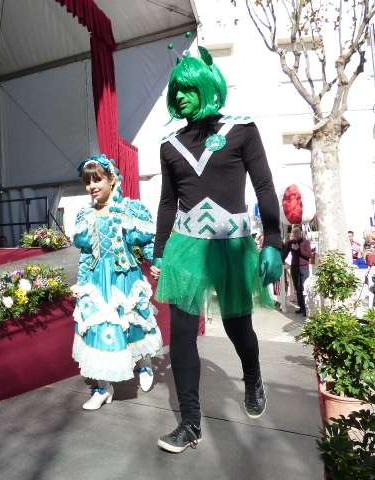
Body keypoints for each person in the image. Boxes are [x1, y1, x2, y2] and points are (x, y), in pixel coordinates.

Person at [150, 47, 283, 453]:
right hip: (185, 248)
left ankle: (253, 377)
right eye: (177, 90)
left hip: (232, 246)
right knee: (182, 334)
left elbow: (264, 186)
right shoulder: (170, 144)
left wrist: (273, 241)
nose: (181, 96)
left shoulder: (242, 129)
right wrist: (159, 250)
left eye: (189, 88)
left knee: (237, 325)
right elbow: (167, 202)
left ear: (208, 87)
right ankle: (190, 423)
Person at [71, 154, 162, 410]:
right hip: (97, 282)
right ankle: (103, 387)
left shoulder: (130, 210)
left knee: (134, 323)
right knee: (98, 330)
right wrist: (81, 283)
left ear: (112, 179)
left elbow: (147, 242)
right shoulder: (86, 215)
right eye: (88, 182)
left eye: (97, 180)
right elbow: (86, 254)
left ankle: (144, 363)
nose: (92, 186)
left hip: (125, 278)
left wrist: (156, 262)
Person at [283, 226, 311, 315]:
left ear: (300, 233)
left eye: (297, 232)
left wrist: (299, 250)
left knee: (304, 288)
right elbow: (285, 253)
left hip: (303, 267)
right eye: (294, 233)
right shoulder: (291, 243)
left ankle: (307, 308)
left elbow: (308, 255)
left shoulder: (306, 242)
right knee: (297, 288)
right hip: (294, 267)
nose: (295, 234)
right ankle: (301, 307)